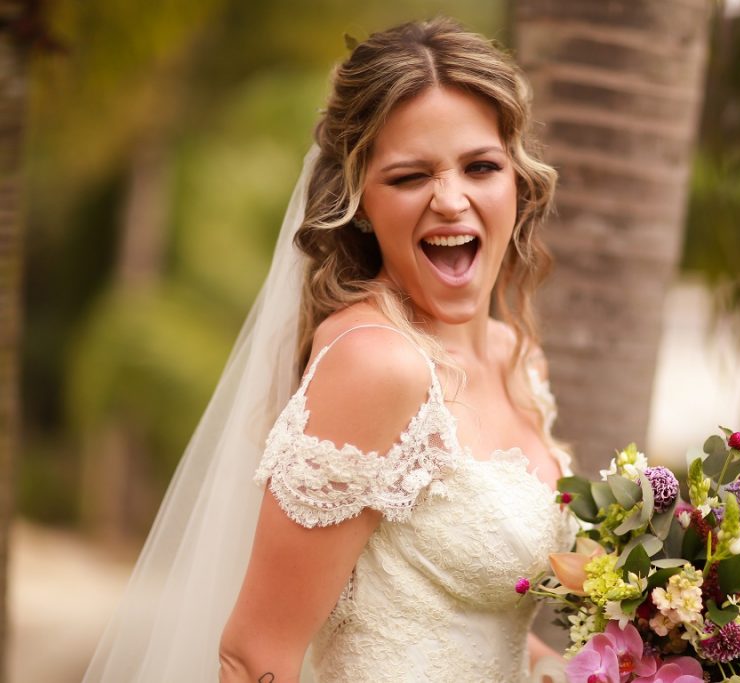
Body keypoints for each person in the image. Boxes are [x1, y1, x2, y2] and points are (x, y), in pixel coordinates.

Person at [83, 17, 573, 683]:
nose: (452, 200)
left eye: (480, 166)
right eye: (409, 177)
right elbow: (253, 655)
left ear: (515, 178)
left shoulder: (519, 359)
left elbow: (487, 634)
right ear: (361, 202)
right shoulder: (379, 365)